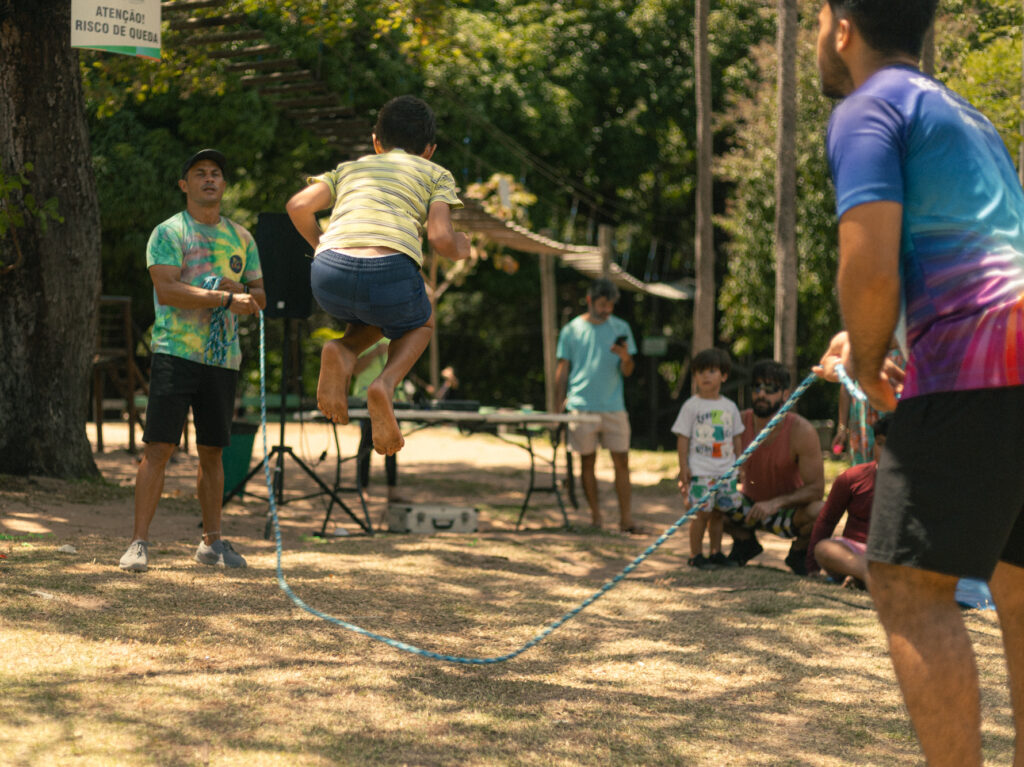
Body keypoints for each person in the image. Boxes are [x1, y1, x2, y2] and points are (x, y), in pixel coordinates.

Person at [813, 2, 1024, 763]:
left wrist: (868, 362)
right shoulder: (967, 118)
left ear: (841, 25)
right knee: (1018, 584)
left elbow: (869, 266)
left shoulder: (869, 106)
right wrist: (885, 335)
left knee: (909, 583)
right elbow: (976, 249)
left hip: (976, 367)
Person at [285, 95, 471, 460]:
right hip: (389, 271)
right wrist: (461, 247)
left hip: (327, 273)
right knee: (423, 322)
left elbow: (297, 206)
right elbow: (439, 238)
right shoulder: (436, 175)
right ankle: (383, 385)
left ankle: (342, 349)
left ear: (376, 141)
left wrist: (322, 244)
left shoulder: (350, 169)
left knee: (379, 317)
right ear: (430, 150)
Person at [119, 149, 266, 572]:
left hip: (222, 360)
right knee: (159, 447)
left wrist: (240, 293)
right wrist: (222, 295)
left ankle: (212, 543)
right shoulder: (168, 232)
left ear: (224, 184)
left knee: (213, 452)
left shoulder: (243, 238)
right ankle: (139, 543)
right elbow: (167, 290)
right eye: (199, 173)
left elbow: (259, 298)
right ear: (184, 185)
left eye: (216, 174)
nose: (208, 179)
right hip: (174, 352)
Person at [554, 278, 639, 533]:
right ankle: (596, 517)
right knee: (586, 463)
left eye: (610, 305)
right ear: (590, 300)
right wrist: (558, 403)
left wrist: (625, 358)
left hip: (614, 406)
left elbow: (628, 370)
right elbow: (563, 368)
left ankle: (626, 519)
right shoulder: (571, 329)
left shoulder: (620, 327)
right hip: (581, 406)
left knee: (621, 461)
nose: (607, 310)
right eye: (602, 304)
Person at [724, 360, 825, 574]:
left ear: (785, 394)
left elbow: (816, 489)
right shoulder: (737, 423)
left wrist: (776, 503)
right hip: (749, 509)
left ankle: (799, 553)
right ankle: (744, 544)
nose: (762, 394)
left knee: (821, 511)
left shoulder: (802, 431)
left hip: (787, 513)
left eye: (770, 389)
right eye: (757, 387)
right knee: (705, 495)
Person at [672, 348, 744, 569]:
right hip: (701, 470)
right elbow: (683, 438)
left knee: (718, 514)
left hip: (725, 470)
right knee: (700, 514)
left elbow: (737, 437)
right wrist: (684, 467)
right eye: (700, 371)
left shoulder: (729, 407)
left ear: (723, 376)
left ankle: (716, 552)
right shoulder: (691, 406)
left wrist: (739, 465)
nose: (705, 376)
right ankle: (696, 555)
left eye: (712, 371)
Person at [808, 414, 890, 589]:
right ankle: (869, 576)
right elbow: (826, 520)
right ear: (874, 444)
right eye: (881, 444)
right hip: (852, 554)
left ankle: (861, 579)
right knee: (824, 549)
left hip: (892, 556)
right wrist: (811, 566)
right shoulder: (852, 478)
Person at [351, 339, 400, 503]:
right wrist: (374, 353)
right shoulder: (362, 334)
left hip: (391, 398)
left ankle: (392, 491)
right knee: (366, 445)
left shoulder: (396, 336)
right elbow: (354, 369)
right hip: (366, 399)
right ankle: (362, 489)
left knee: (392, 445)